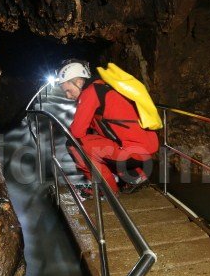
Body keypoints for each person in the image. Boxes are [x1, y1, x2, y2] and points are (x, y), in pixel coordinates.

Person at [57, 60, 159, 198]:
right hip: (146, 146)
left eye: (68, 90)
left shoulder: (90, 93)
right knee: (95, 143)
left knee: (75, 145)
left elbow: (77, 132)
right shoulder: (102, 87)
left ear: (79, 82)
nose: (68, 96)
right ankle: (136, 175)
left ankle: (107, 189)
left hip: (133, 151)